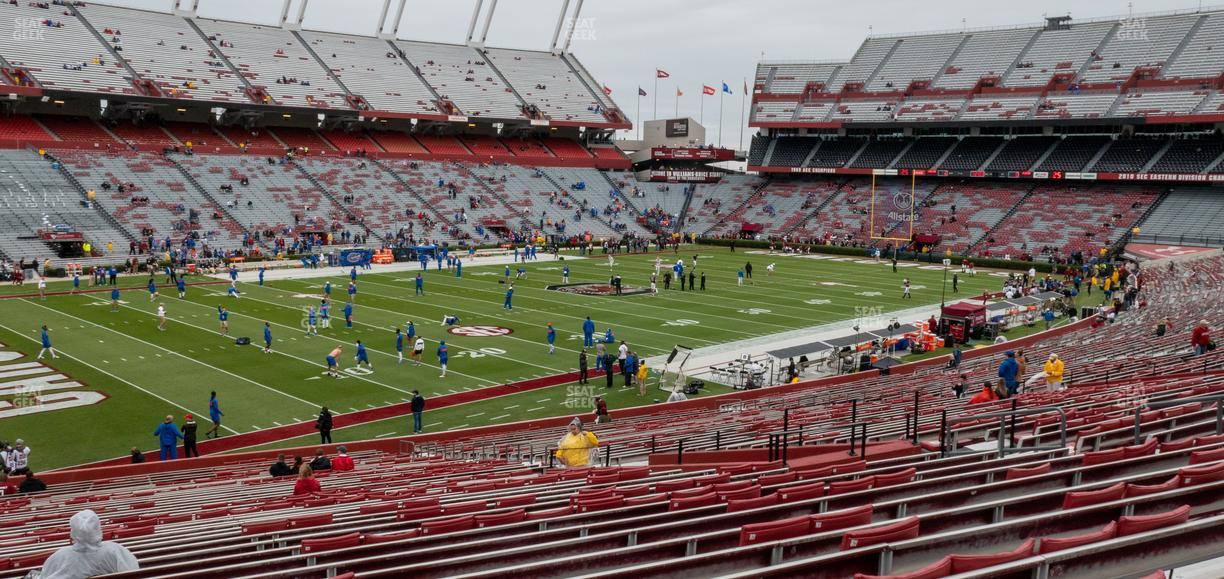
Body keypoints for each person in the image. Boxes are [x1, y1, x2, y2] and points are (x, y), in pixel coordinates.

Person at [37, 510, 138, 576]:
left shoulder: (58, 557)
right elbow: (134, 574)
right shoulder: (116, 551)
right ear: (98, 528)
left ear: (73, 532)